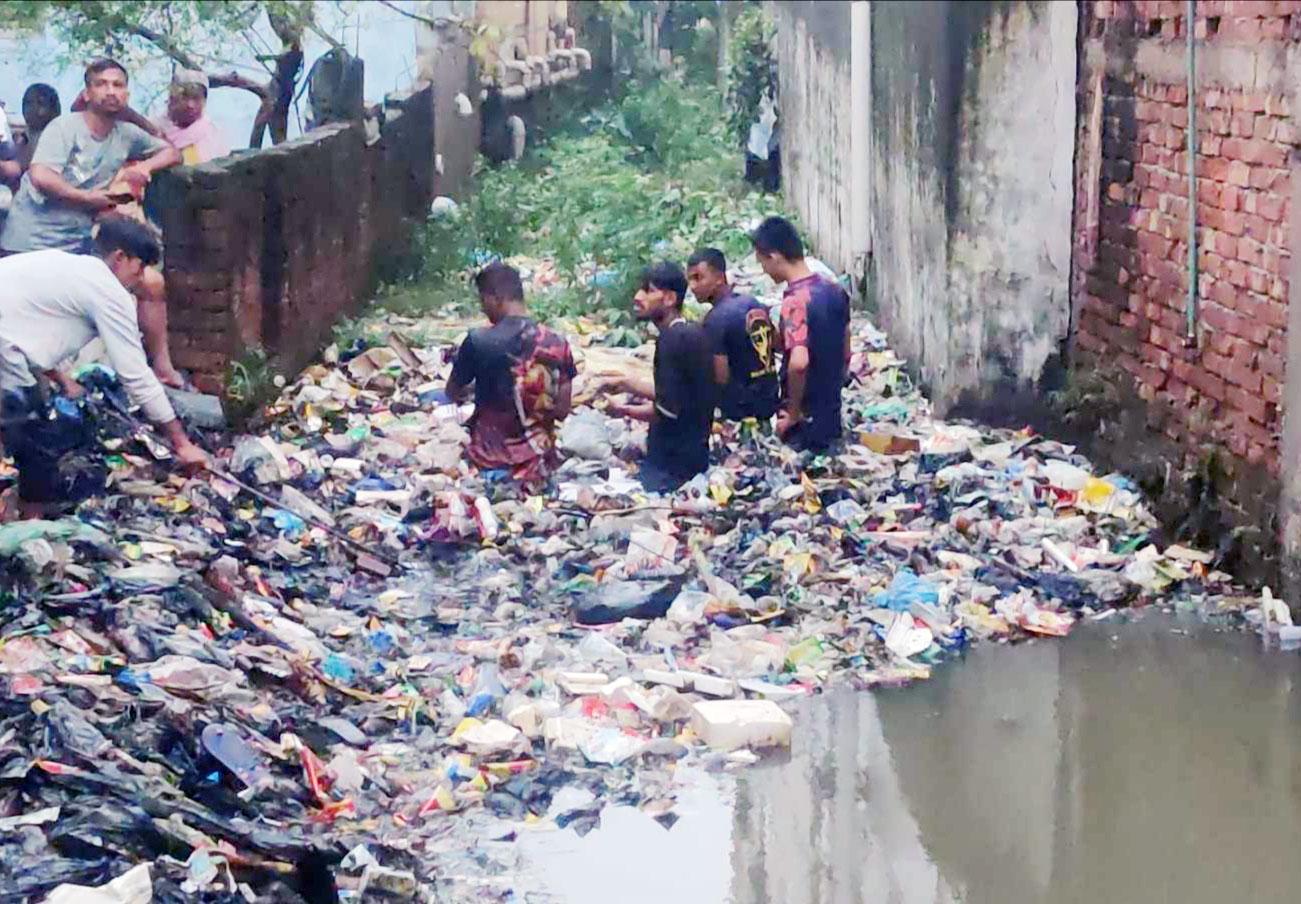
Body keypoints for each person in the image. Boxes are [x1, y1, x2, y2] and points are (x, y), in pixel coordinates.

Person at [0, 216, 208, 518]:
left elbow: (27, 322)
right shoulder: (108, 291)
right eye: (140, 268)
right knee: (39, 439)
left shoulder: (65, 264)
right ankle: (31, 526)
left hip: (8, 347)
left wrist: (62, 378)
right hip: (6, 354)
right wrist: (181, 442)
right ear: (120, 258)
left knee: (23, 421)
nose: (141, 279)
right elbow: (136, 376)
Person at [0, 59, 179, 255]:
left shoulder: (128, 135)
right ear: (86, 94)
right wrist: (87, 198)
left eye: (117, 85)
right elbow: (41, 176)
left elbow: (172, 153)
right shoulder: (64, 127)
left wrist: (145, 167)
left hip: (77, 245)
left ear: (126, 95)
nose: (110, 91)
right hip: (30, 243)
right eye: (101, 84)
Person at [446, 262, 578, 484]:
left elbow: (452, 392)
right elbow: (563, 410)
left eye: (483, 300)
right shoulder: (557, 343)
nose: (482, 308)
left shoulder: (478, 340)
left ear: (496, 297)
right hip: (539, 465)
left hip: (487, 464)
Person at [600, 262, 716, 492]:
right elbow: (680, 395)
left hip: (669, 467)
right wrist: (625, 384)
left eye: (649, 290)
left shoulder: (670, 341)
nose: (638, 296)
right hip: (695, 456)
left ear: (670, 299)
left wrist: (621, 410)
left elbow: (666, 412)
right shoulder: (691, 333)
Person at [751, 216, 851, 452]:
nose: (763, 270)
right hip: (831, 412)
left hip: (805, 421)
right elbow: (845, 346)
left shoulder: (795, 301)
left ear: (774, 257)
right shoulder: (835, 290)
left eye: (762, 262)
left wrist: (793, 413)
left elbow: (799, 363)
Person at [687, 247, 780, 423]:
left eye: (698, 278)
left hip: (741, 412)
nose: (692, 286)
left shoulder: (715, 321)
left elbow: (720, 377)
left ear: (719, 278)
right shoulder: (753, 303)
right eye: (690, 280)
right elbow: (776, 342)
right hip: (771, 401)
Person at [155, 69, 231, 165]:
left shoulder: (211, 133)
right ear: (172, 97)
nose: (190, 105)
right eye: (185, 97)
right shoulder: (153, 128)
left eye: (196, 98)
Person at [16, 84, 62, 172]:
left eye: (41, 104)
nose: (29, 109)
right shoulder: (25, 136)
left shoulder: (56, 136)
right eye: (26, 103)